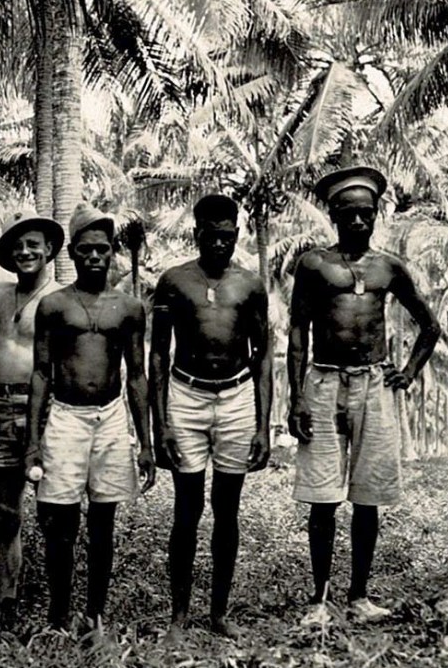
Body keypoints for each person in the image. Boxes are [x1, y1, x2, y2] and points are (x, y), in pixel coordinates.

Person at [288, 167, 440, 626]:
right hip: (323, 382)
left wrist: (407, 373)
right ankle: (319, 599)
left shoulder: (388, 267)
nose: (358, 221)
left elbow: (430, 326)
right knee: (322, 497)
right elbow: (297, 332)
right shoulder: (314, 264)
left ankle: (359, 596)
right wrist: (296, 398)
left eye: (366, 213)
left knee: (368, 496)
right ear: (334, 215)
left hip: (375, 384)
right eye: (349, 213)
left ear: (376, 215)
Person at [26, 202, 156, 633]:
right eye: (86, 250)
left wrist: (146, 443)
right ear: (72, 253)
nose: (95, 256)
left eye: (102, 249)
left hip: (111, 418)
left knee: (104, 521)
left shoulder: (129, 307)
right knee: (60, 522)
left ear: (112, 252)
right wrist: (32, 442)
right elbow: (41, 373)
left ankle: (95, 615)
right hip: (66, 417)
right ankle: (59, 615)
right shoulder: (54, 305)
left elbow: (137, 376)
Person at [149, 194, 272, 641]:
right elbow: (158, 355)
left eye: (226, 236)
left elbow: (263, 356)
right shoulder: (174, 281)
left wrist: (263, 425)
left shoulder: (250, 285)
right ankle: (179, 616)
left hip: (236, 397)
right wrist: (160, 423)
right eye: (210, 235)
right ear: (196, 233)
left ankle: (218, 614)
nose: (219, 243)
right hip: (186, 395)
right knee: (187, 509)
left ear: (236, 234)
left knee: (227, 508)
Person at [0, 209, 63, 629]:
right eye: (18, 246)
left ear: (49, 249)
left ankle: (58, 605)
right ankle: (5, 602)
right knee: (5, 513)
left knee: (54, 512)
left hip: (45, 411)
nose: (25, 251)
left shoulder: (60, 298)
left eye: (33, 244)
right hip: (0, 410)